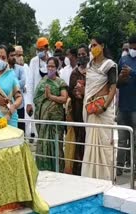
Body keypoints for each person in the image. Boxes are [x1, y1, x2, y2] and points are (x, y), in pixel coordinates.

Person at [81, 37, 117, 180]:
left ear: (102, 46)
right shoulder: (90, 66)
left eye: (95, 45)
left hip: (103, 112)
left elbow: (113, 87)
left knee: (104, 145)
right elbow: (90, 88)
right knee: (90, 144)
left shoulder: (110, 65)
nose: (92, 48)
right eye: (91, 46)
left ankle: (105, 179)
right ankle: (90, 179)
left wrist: (104, 107)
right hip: (91, 111)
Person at [34, 57, 68, 172]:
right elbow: (36, 99)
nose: (50, 68)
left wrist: (51, 97)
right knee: (43, 143)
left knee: (56, 144)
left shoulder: (60, 82)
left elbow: (64, 98)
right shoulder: (42, 81)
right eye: (48, 66)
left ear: (57, 67)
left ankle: (57, 170)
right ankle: (43, 169)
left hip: (56, 120)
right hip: (43, 119)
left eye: (52, 66)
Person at [65, 44, 89, 175]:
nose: (81, 57)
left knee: (88, 139)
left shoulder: (92, 71)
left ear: (88, 55)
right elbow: (70, 91)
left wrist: (84, 92)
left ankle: (88, 168)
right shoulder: (74, 72)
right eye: (79, 54)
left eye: (83, 54)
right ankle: (77, 170)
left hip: (89, 110)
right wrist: (75, 93)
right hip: (77, 110)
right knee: (78, 139)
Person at [116, 35, 136, 176]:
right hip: (123, 106)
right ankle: (119, 168)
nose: (132, 49)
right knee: (122, 140)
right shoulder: (123, 59)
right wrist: (122, 77)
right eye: (131, 46)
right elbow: (116, 83)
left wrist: (132, 72)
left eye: (134, 47)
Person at [26, 37, 50, 136]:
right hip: (36, 101)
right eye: (38, 50)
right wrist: (29, 102)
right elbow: (30, 82)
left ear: (47, 49)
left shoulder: (52, 60)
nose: (39, 52)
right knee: (37, 128)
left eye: (41, 50)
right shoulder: (33, 61)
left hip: (49, 100)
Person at [7, 45, 26, 131]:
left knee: (20, 130)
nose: (14, 57)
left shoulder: (20, 69)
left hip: (19, 105)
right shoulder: (3, 69)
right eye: (12, 55)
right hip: (7, 106)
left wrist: (9, 84)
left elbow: (22, 83)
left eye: (15, 55)